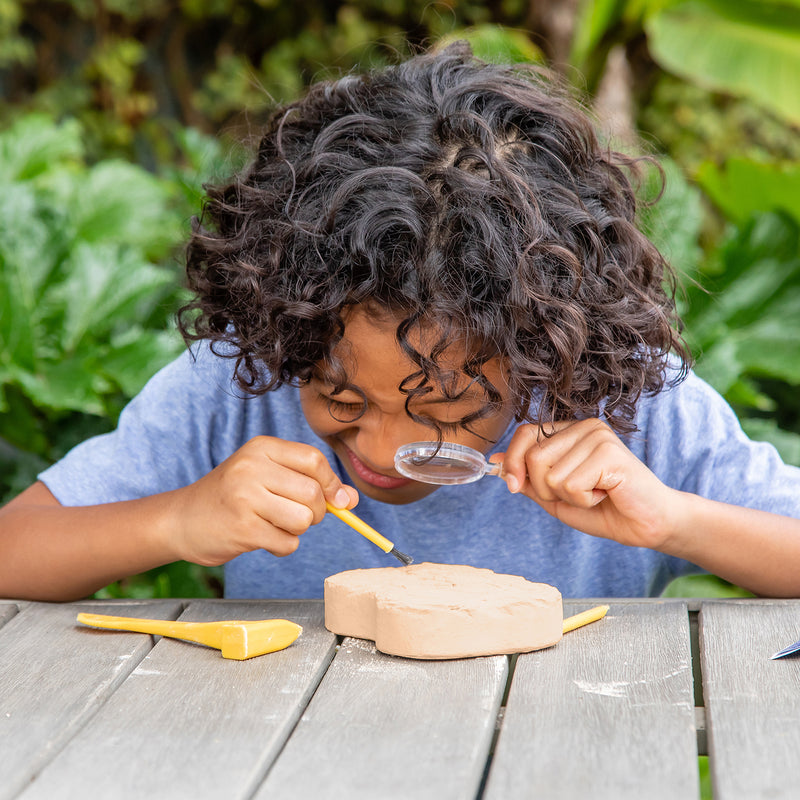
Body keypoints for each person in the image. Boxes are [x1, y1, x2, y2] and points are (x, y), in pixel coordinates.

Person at [2, 43, 799, 602]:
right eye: (341, 402)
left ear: (544, 358)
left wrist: (674, 518)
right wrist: (175, 520)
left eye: (450, 412)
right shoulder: (242, 380)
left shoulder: (627, 406)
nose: (385, 455)